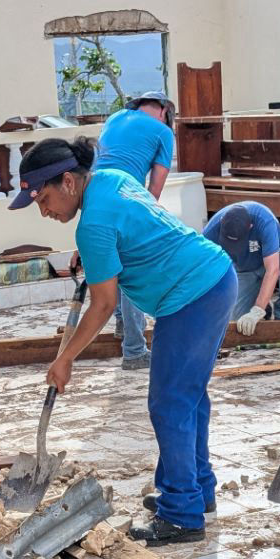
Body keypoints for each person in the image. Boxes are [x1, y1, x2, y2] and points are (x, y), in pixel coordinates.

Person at [11, 136, 235, 544]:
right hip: (214, 278)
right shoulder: (110, 180)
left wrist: (65, 359)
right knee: (188, 398)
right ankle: (196, 492)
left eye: (44, 199)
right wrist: (95, 254)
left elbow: (103, 304)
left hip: (191, 295)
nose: (44, 211)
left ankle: (182, 515)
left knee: (170, 405)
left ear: (68, 182)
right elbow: (130, 225)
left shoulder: (93, 226)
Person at [93, 92, 177, 369]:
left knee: (113, 262)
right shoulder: (163, 132)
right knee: (134, 268)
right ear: (164, 112)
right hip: (126, 196)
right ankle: (134, 351)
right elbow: (155, 188)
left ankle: (122, 323)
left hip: (93, 192)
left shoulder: (116, 117)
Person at [203, 200, 280, 333]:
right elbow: (202, 270)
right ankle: (265, 306)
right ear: (222, 222)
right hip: (245, 269)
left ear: (250, 226)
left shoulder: (264, 220)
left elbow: (273, 270)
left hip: (274, 259)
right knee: (238, 323)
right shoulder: (210, 230)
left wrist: (257, 311)